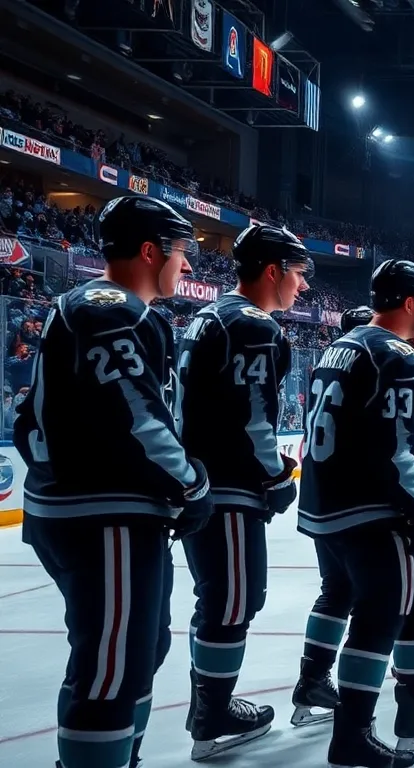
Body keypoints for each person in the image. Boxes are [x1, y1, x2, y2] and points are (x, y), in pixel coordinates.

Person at [15, 195, 211, 768]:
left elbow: (30, 422)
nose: (190, 265)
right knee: (110, 666)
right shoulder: (112, 307)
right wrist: (192, 483)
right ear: (150, 251)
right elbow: (139, 418)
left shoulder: (83, 307)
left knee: (143, 649)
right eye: (182, 251)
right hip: (106, 521)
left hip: (92, 513)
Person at [296, 260, 414, 767]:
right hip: (372, 508)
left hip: (328, 501)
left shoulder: (341, 344)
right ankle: (352, 735)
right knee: (378, 617)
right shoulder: (395, 353)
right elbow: (396, 445)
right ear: (411, 302)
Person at [177, 224, 310, 759]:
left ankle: (208, 704)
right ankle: (210, 716)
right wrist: (276, 476)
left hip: (203, 478)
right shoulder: (253, 325)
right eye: (298, 274)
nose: (302, 287)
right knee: (232, 599)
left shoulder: (206, 316)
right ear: (273, 270)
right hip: (229, 485)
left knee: (223, 596)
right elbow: (253, 415)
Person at [288, 303, 374, 730]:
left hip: (324, 493)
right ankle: (364, 704)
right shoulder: (376, 358)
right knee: (378, 599)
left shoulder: (328, 359)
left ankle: (313, 678)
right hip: (359, 499)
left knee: (336, 589)